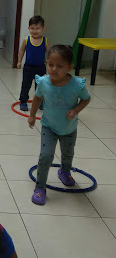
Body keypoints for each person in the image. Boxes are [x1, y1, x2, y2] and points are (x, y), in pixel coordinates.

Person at [29, 44, 91, 206]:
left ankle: (64, 171)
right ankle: (40, 187)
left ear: (69, 67)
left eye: (60, 66)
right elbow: (37, 98)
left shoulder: (77, 84)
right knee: (45, 155)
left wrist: (76, 110)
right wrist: (32, 115)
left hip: (69, 128)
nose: (54, 69)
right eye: (50, 64)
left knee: (68, 153)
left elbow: (86, 99)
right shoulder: (43, 82)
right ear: (46, 63)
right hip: (48, 126)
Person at [16, 15, 50, 111]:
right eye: (32, 28)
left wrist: (50, 60)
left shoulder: (45, 40)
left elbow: (50, 52)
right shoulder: (26, 40)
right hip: (28, 67)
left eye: (37, 28)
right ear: (28, 28)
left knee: (41, 86)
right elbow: (21, 51)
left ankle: (40, 101)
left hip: (41, 67)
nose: (35, 31)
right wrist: (19, 61)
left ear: (43, 29)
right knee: (26, 85)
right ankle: (23, 101)